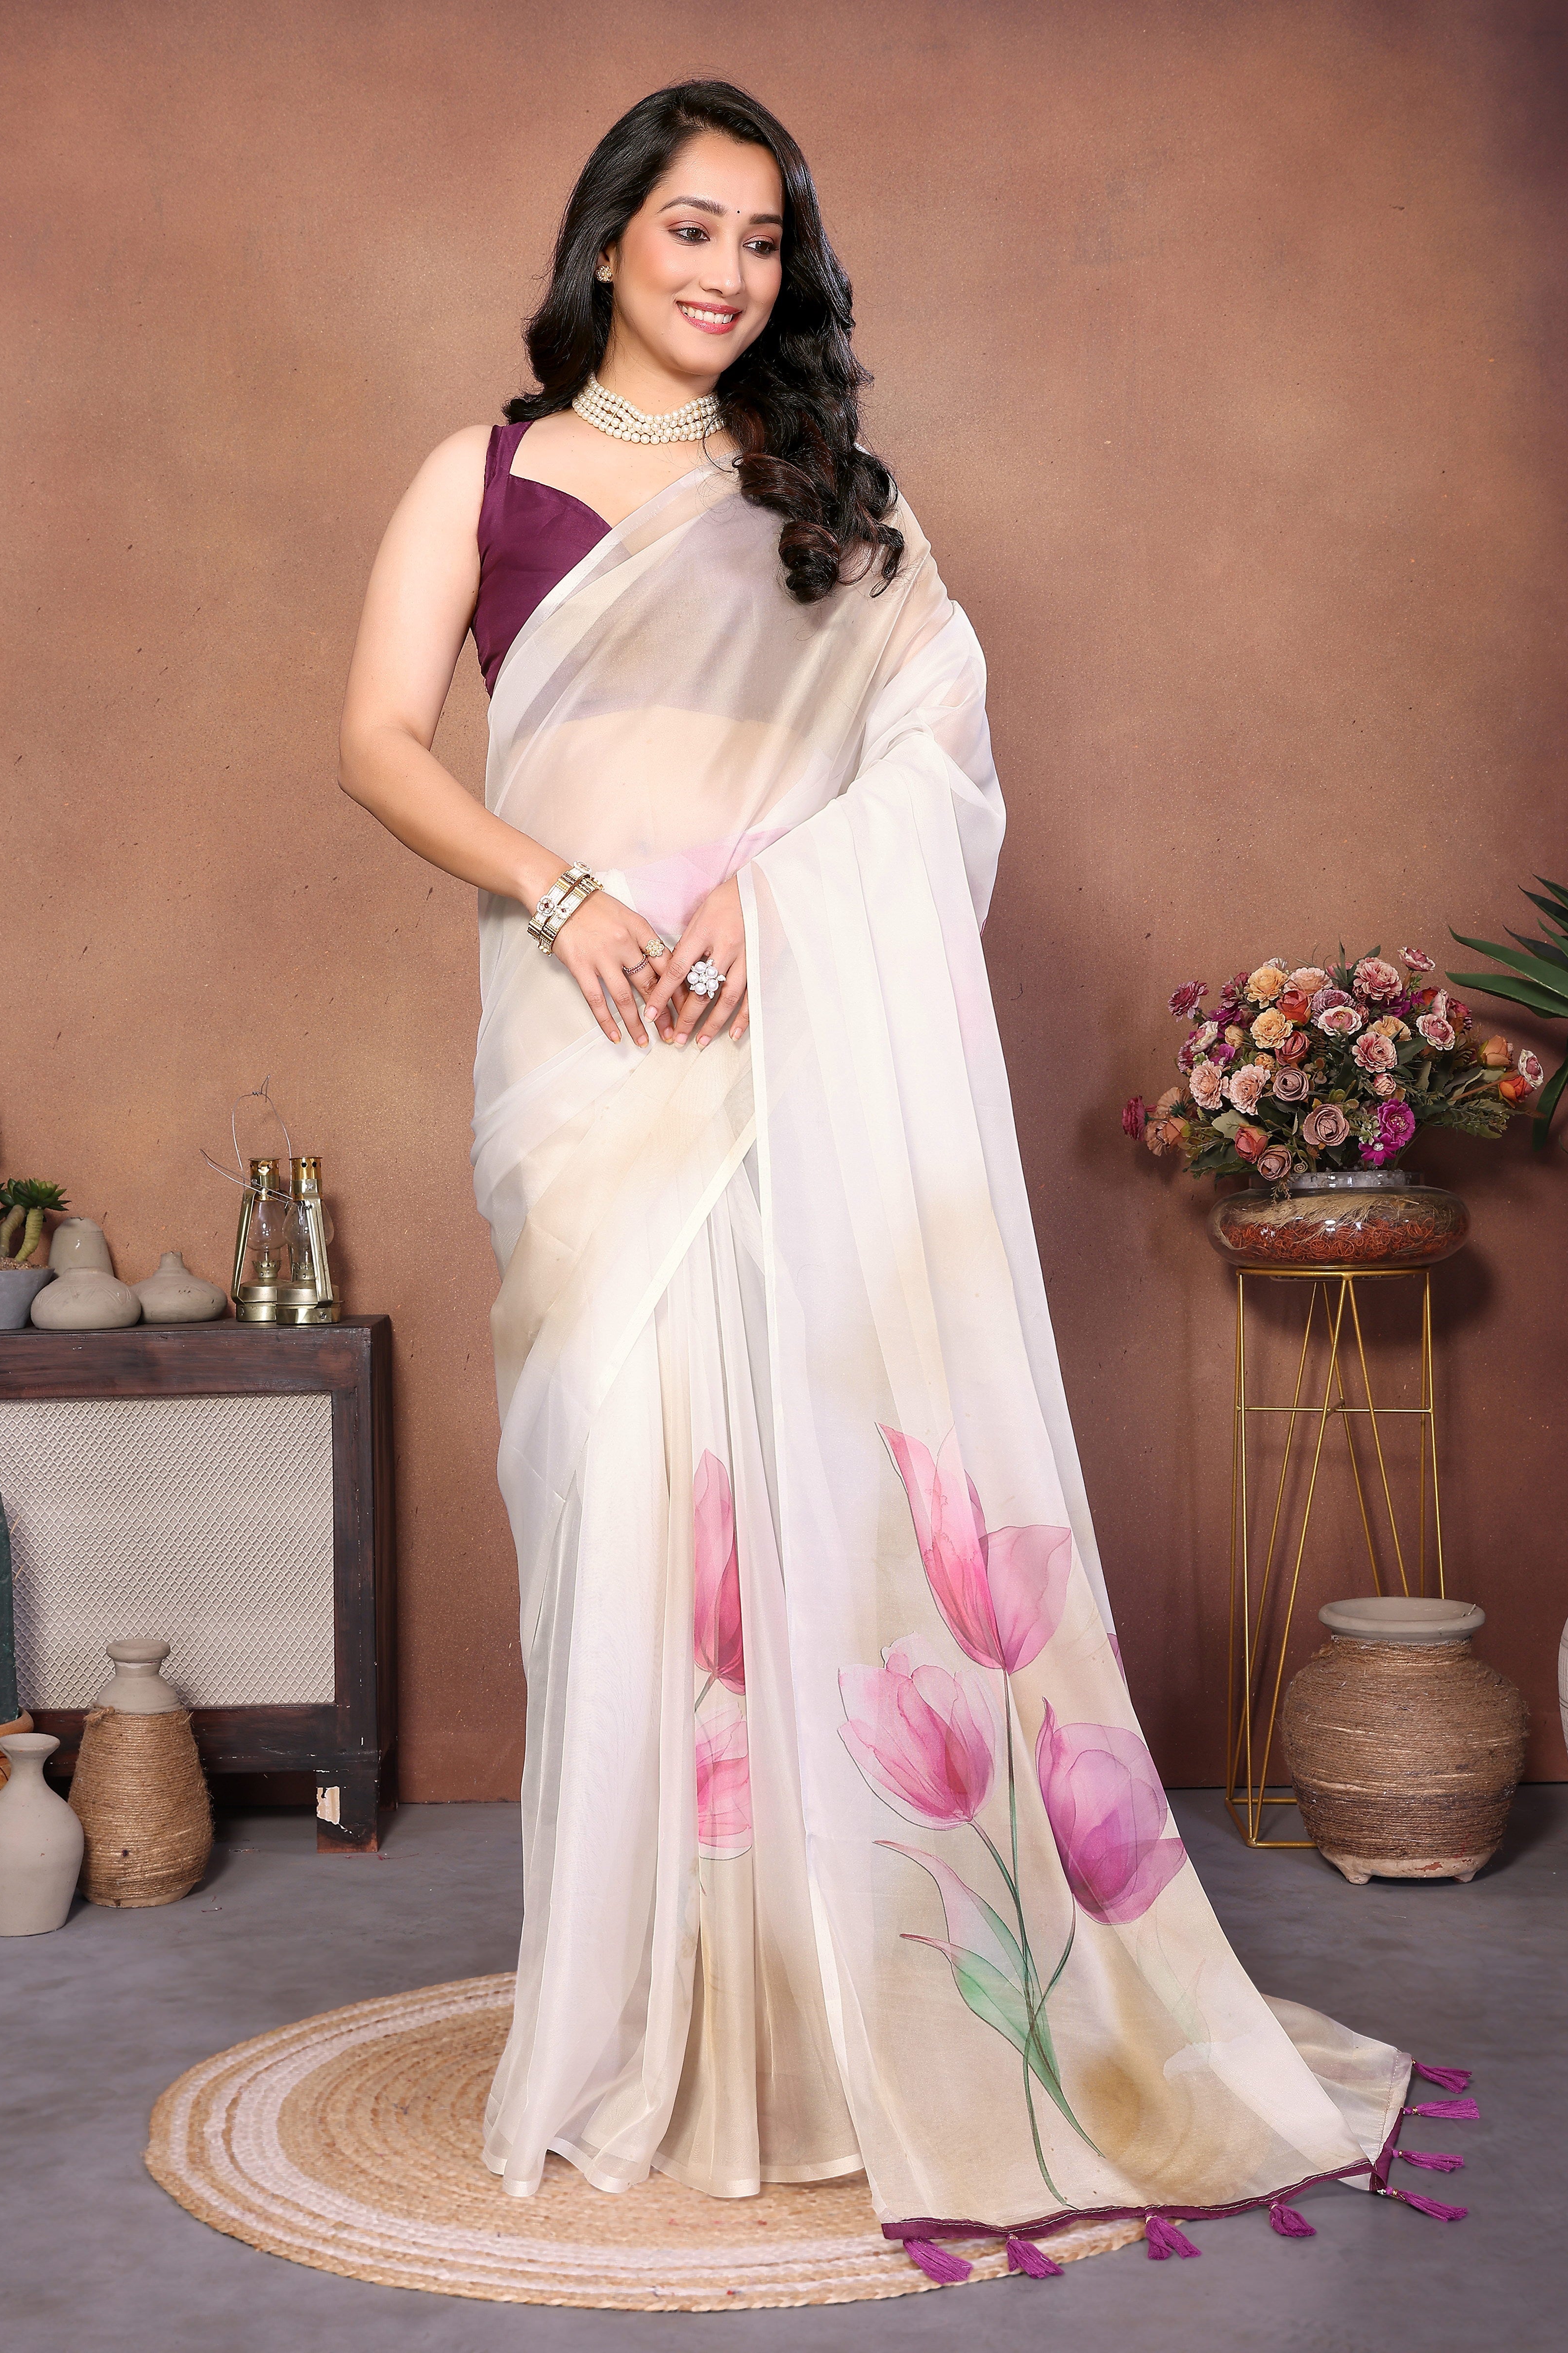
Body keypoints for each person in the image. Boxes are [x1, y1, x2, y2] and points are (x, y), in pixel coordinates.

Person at [340, 79, 1428, 2269]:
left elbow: (936, 749)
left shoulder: (830, 495)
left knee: (813, 1504)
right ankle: (671, 2012)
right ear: (610, 237)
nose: (727, 274)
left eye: (764, 241)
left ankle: (840, 2022)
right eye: (692, 229)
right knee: (630, 1512)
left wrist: (779, 900)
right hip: (585, 1058)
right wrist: (569, 897)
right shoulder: (487, 474)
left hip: (791, 1052)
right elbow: (374, 742)